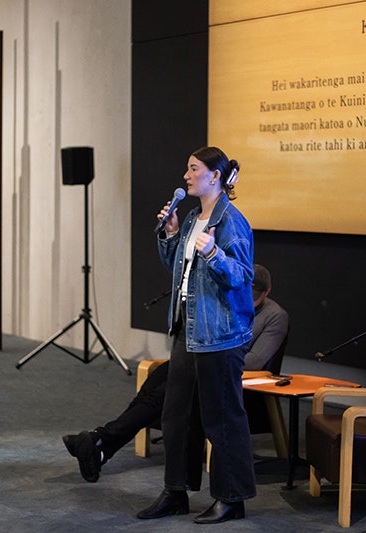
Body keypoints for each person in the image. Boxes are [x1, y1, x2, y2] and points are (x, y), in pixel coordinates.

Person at [62, 264, 288, 486]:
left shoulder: (275, 316)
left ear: (267, 292)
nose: (246, 299)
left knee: (160, 395)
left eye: (253, 295)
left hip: (227, 375)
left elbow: (257, 361)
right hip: (198, 363)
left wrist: (211, 356)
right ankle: (99, 448)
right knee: (153, 386)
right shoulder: (226, 301)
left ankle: (98, 441)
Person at [142, 146, 256, 524]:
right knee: (176, 416)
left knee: (221, 419)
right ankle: (175, 492)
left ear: (216, 176)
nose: (186, 176)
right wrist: (171, 236)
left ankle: (231, 498)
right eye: (187, 169)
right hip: (189, 330)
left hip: (221, 335)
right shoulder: (192, 217)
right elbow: (178, 269)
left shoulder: (231, 222)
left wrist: (214, 256)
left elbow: (242, 276)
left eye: (194, 169)